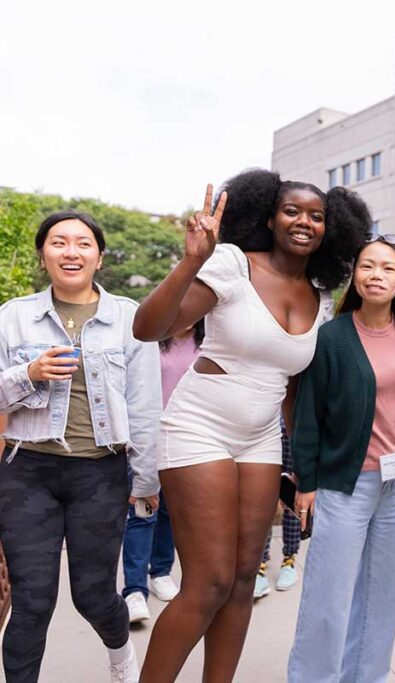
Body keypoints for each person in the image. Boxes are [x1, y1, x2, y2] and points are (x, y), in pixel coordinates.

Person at [132, 171, 364, 682]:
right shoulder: (233, 264)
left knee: (241, 581)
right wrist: (193, 258)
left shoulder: (321, 296)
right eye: (292, 211)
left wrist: (304, 466)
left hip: (261, 437)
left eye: (316, 215)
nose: (304, 221)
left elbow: (294, 389)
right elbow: (149, 328)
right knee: (208, 583)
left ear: (330, 229)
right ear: (268, 217)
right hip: (200, 425)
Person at [0, 210, 162, 682]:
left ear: (99, 256)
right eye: (58, 242)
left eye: (83, 243)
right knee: (32, 599)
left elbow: (145, 405)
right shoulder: (12, 317)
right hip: (26, 470)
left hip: (101, 473)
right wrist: (26, 374)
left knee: (93, 595)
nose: (71, 252)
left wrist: (147, 478)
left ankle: (121, 656)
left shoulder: (129, 317)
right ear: (43, 253)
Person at [287, 232, 395, 681]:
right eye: (368, 265)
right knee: (329, 597)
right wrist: (305, 481)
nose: (376, 275)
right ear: (356, 275)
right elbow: (308, 414)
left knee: (383, 594)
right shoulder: (332, 338)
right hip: (344, 484)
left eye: (388, 267)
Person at [123, 321, 204, 623]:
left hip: (185, 438)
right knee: (143, 512)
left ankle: (161, 572)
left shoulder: (207, 343)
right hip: (147, 437)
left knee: (171, 512)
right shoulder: (149, 341)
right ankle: (134, 589)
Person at [255, 417, 302, 598]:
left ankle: (289, 559)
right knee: (262, 498)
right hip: (263, 430)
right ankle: (259, 563)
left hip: (290, 428)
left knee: (291, 494)